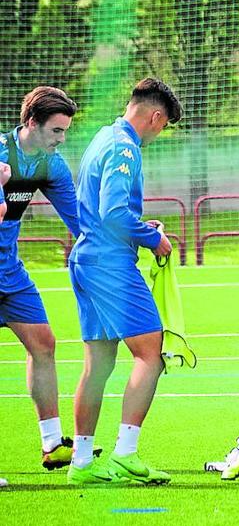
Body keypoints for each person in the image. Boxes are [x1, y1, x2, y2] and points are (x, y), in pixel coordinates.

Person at [68, 78, 180, 485]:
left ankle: (82, 464)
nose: (159, 133)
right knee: (151, 351)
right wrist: (154, 238)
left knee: (98, 363)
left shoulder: (104, 136)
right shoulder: (125, 147)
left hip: (86, 257)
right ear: (154, 116)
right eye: (163, 125)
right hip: (109, 263)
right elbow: (114, 212)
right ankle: (125, 454)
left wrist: (141, 228)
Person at [0, 88, 85, 473]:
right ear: (31, 123)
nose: (61, 139)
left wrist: (130, 234)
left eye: (65, 131)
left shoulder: (51, 166)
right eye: (56, 130)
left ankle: (53, 442)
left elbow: (81, 221)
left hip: (10, 273)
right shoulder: (2, 153)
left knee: (44, 344)